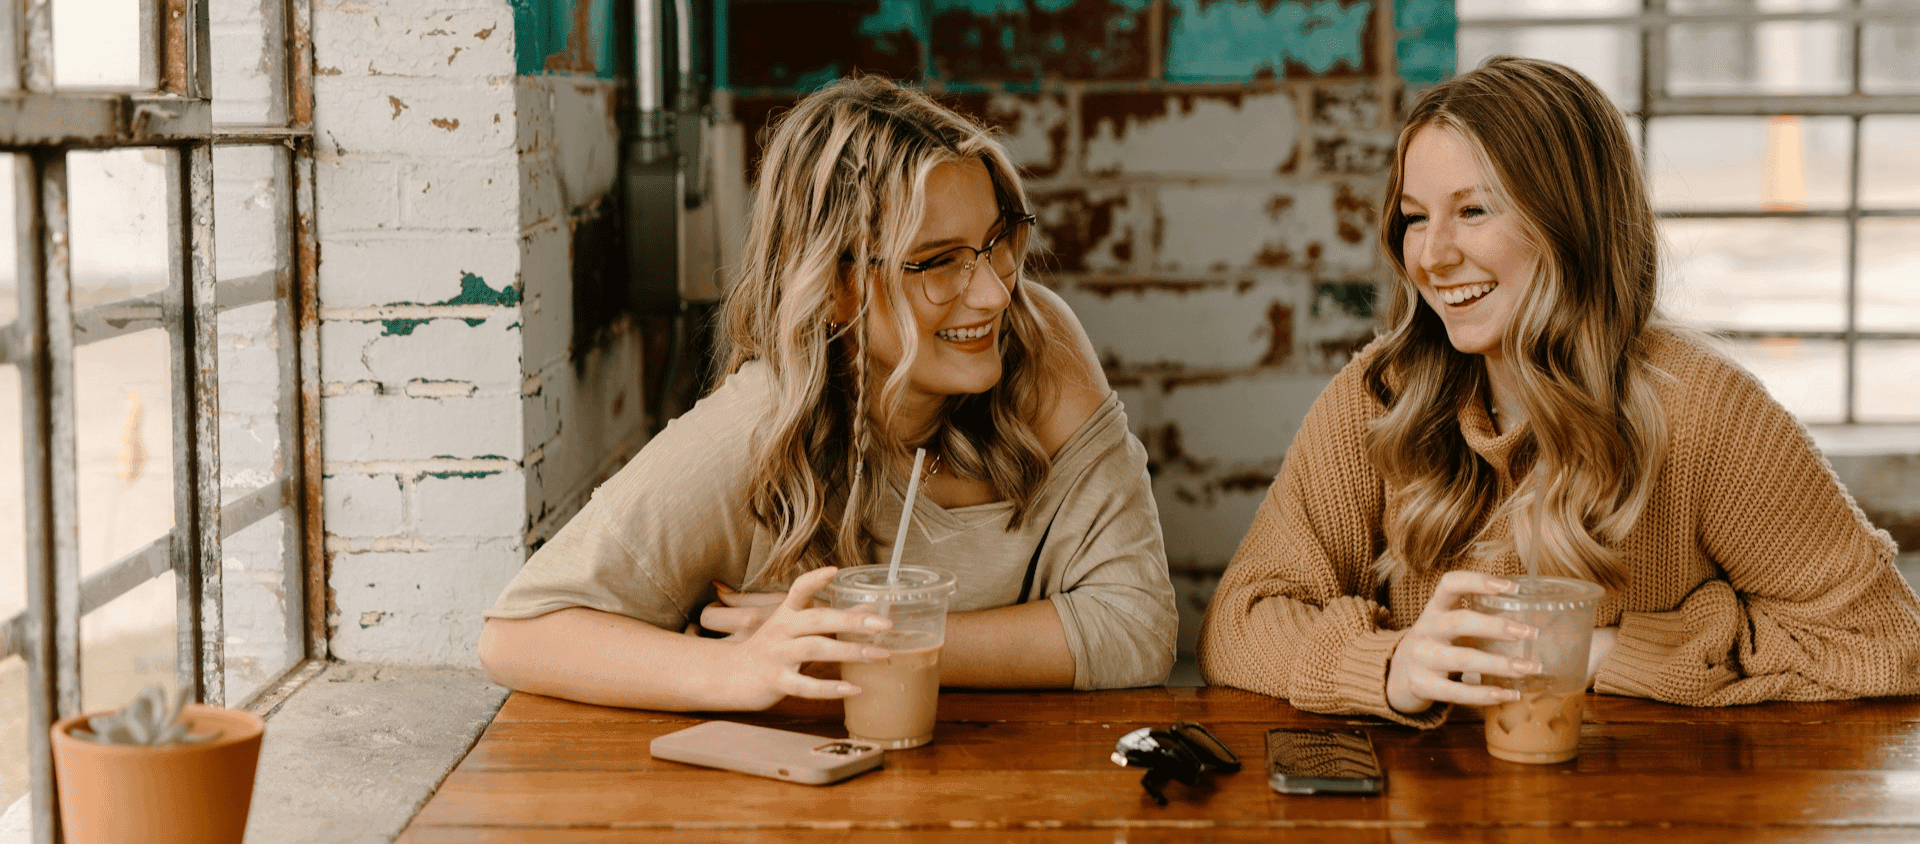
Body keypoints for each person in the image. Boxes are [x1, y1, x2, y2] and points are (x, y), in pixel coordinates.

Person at [1197, 56, 1920, 727]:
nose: (1433, 255)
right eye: (1416, 218)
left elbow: (1884, 641)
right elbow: (1239, 621)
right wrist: (1391, 665)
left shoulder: (1705, 409)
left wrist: (1602, 653)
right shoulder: (1379, 395)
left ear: (1570, 224)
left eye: (1474, 211)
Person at [478, 75, 1177, 711]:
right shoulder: (752, 429)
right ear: (837, 284)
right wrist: (732, 671)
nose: (995, 291)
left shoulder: (1039, 341)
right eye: (937, 263)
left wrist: (859, 636)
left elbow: (1137, 628)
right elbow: (518, 635)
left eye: (998, 242)